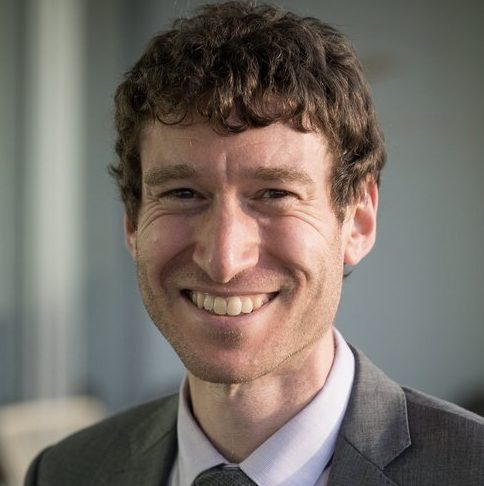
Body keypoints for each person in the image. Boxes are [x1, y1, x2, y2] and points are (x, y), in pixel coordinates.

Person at [25, 2, 484, 485]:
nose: (224, 259)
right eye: (182, 193)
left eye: (274, 194)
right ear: (133, 223)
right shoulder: (63, 472)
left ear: (359, 221)